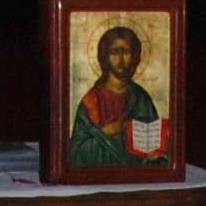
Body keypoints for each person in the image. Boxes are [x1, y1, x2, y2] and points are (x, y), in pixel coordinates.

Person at [68, 25, 167, 169]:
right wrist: (105, 133)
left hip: (134, 179)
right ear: (105, 57)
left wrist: (155, 154)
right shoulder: (92, 101)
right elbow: (75, 153)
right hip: (97, 177)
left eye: (126, 51)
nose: (120, 58)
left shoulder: (141, 98)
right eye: (114, 52)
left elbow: (154, 146)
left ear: (135, 56)